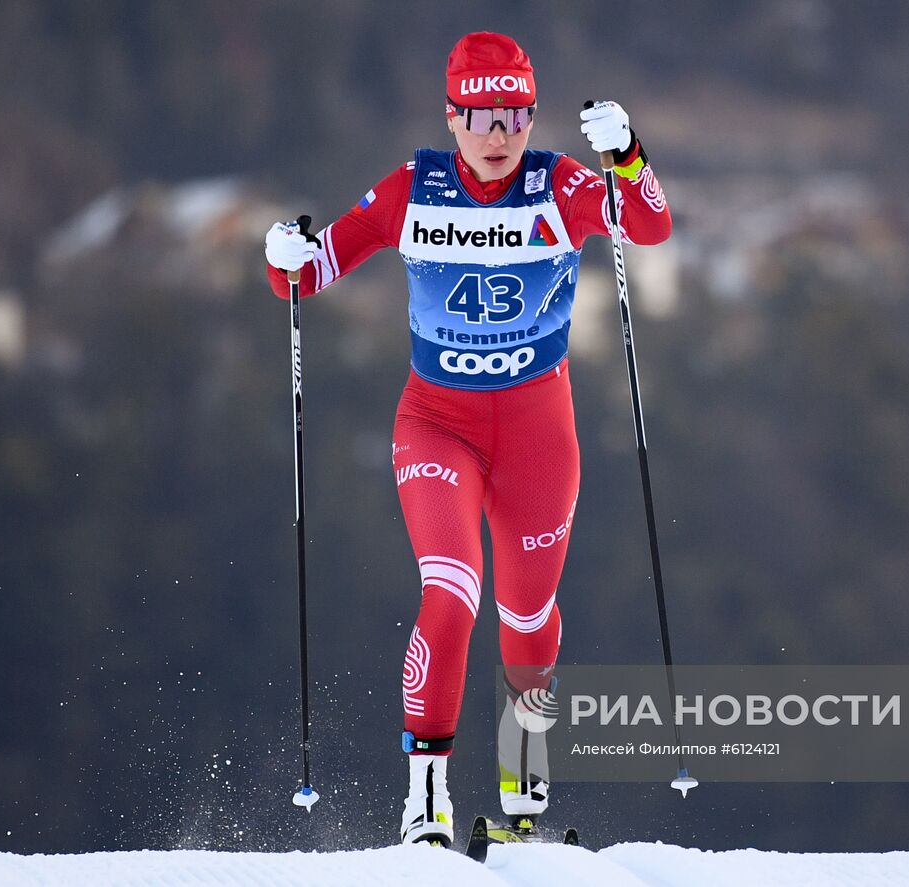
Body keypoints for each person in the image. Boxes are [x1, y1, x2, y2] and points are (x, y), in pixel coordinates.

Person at [264, 31, 671, 846]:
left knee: (527, 618)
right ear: (452, 117)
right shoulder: (415, 187)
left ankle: (525, 786)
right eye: (482, 114)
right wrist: (282, 258)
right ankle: (426, 803)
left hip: (537, 433)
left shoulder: (559, 185)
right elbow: (311, 273)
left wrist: (627, 153)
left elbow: (651, 226)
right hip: (436, 423)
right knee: (451, 591)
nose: (499, 134)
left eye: (516, 114)